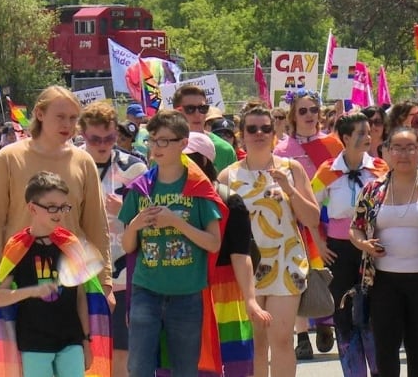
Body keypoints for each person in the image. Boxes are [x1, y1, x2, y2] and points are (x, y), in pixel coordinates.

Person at [0, 85, 113, 313]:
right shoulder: (9, 158)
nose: (67, 125)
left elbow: (96, 226)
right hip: (18, 277)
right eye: (60, 117)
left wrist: (105, 284)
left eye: (73, 118)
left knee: (77, 348)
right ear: (40, 114)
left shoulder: (84, 161)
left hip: (73, 278)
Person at [219, 105, 321, 377]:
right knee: (255, 343)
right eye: (252, 128)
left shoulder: (292, 168)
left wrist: (289, 190)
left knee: (282, 340)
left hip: (285, 262)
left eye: (266, 128)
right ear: (241, 135)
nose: (260, 133)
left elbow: (312, 218)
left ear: (275, 132)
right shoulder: (228, 176)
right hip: (244, 268)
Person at [119, 110, 223, 377]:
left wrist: (176, 222)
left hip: (187, 294)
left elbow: (213, 243)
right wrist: (136, 224)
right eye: (153, 140)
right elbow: (128, 245)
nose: (157, 147)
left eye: (165, 140)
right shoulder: (140, 188)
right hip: (146, 291)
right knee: (139, 367)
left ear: (183, 143)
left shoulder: (198, 188)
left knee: (185, 370)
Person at [350, 126, 418, 377]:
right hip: (384, 281)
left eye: (410, 147)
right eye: (397, 148)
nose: (404, 154)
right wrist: (364, 244)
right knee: (385, 350)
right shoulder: (373, 189)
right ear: (386, 151)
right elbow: (355, 228)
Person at [0, 171, 108, 377]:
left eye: (63, 207)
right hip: (33, 342)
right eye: (52, 207)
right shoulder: (17, 247)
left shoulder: (70, 244)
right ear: (32, 208)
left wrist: (86, 340)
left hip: (71, 340)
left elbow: (81, 296)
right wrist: (32, 291)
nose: (59, 213)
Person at [183, 131, 272, 376]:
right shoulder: (167, 199)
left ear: (202, 161)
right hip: (183, 290)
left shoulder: (229, 200)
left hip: (226, 293)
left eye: (185, 156)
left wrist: (250, 299)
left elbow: (240, 254)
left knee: (233, 363)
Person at [311, 113, 389, 377]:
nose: (368, 137)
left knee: (374, 315)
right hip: (339, 251)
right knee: (344, 316)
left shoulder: (380, 168)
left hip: (373, 250)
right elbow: (309, 209)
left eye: (369, 131)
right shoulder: (327, 171)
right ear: (345, 138)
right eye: (361, 132)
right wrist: (319, 243)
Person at [79, 101, 148, 377]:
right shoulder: (69, 165)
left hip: (123, 276)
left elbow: (150, 224)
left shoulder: (134, 168)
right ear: (82, 133)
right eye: (95, 139)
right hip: (80, 275)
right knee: (87, 353)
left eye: (109, 138)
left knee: (122, 353)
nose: (103, 144)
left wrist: (124, 213)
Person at [273, 89, 340, 360]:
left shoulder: (334, 145)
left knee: (323, 272)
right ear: (293, 115)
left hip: (327, 219)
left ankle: (325, 322)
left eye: (313, 109)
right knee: (298, 275)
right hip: (294, 222)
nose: (309, 115)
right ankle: (302, 336)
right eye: (303, 111)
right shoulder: (282, 149)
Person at [172, 85, 237, 173]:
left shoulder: (224, 149)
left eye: (202, 108)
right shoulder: (165, 146)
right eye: (190, 109)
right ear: (177, 112)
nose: (198, 114)